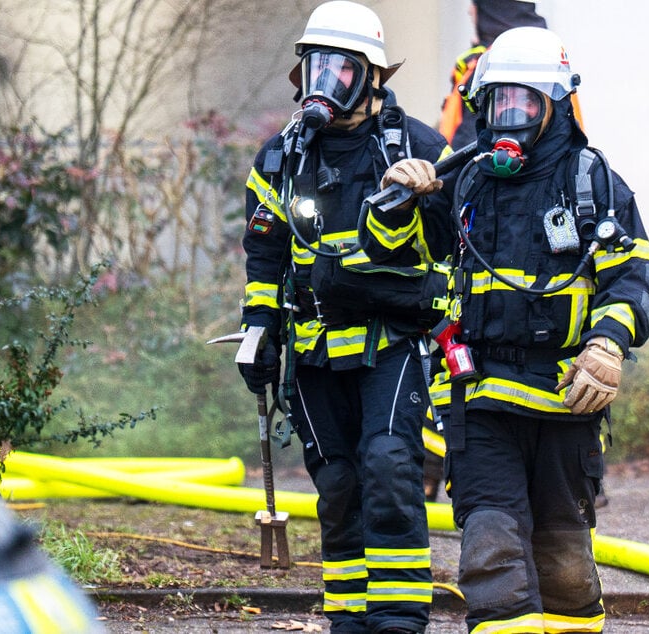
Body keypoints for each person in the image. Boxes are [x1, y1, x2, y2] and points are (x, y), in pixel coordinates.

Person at [423, 27, 649, 632]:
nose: (509, 117)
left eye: (525, 102)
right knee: (490, 543)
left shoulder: (590, 182)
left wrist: (608, 343)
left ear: (553, 105)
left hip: (565, 399)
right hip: (479, 398)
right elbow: (413, 265)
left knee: (565, 564)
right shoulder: (467, 182)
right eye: (497, 101)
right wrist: (407, 199)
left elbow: (633, 274)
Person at [236, 2, 455, 632]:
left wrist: (428, 193)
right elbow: (265, 253)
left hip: (393, 343)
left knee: (388, 468)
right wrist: (259, 331)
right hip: (313, 348)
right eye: (316, 65)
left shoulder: (417, 145)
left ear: (374, 77)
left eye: (343, 67)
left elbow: (455, 246)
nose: (326, 80)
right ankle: (349, 621)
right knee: (337, 487)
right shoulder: (280, 157)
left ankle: (397, 620)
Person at [438, 0, 547, 150]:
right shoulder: (546, 58)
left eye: (476, 4)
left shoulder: (495, 66)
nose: (470, 11)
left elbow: (469, 144)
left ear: (492, 9)